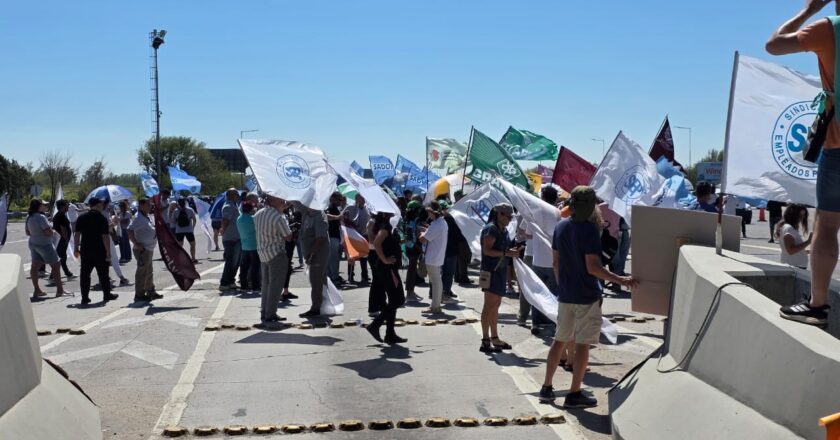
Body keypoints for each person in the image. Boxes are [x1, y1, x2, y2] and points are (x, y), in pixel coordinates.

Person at [766, 0, 839, 325]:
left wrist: (809, 10)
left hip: (838, 147)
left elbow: (774, 44)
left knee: (827, 226)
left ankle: (817, 305)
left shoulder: (829, 29)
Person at [539, 186, 637, 408]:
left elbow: (556, 262)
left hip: (565, 295)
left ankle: (546, 387)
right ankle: (574, 393)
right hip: (587, 296)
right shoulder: (590, 230)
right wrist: (621, 280)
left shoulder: (561, 227)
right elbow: (593, 267)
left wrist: (564, 284)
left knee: (559, 341)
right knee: (583, 344)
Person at [478, 203, 520, 354]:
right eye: (508, 216)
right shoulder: (491, 228)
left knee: (495, 306)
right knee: (489, 306)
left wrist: (512, 250)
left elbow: (503, 249)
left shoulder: (503, 229)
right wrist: (506, 253)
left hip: (500, 271)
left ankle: (494, 337)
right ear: (500, 214)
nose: (509, 219)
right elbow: (487, 250)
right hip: (491, 271)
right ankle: (485, 340)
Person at [365, 211, 407, 344]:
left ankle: (390, 333)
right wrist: (385, 260)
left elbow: (387, 244)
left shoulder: (389, 227)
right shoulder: (386, 227)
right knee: (398, 299)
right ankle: (375, 325)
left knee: (393, 299)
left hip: (389, 268)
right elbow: (376, 243)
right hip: (387, 269)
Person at [253, 195, 292, 323]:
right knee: (276, 286)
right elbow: (288, 236)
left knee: (266, 285)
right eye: (281, 200)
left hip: (263, 253)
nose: (283, 202)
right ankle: (271, 314)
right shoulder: (277, 216)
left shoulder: (258, 213)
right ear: (274, 201)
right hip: (276, 253)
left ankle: (264, 312)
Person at [74, 198, 118, 305]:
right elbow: (105, 236)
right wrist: (108, 252)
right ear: (97, 205)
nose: (103, 206)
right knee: (103, 274)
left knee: (85, 274)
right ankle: (106, 295)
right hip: (99, 249)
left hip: (85, 250)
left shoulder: (82, 217)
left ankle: (85, 297)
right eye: (101, 204)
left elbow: (77, 234)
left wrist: (76, 248)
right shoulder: (101, 218)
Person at [26, 199, 68, 298]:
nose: (45, 206)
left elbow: (27, 232)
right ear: (39, 206)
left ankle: (37, 290)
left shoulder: (29, 217)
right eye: (43, 205)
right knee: (56, 264)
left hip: (33, 242)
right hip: (44, 244)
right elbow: (47, 232)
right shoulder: (41, 217)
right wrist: (52, 232)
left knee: (35, 265)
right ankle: (60, 290)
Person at [128, 198, 162, 302]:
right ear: (141, 205)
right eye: (148, 204)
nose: (150, 206)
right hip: (142, 250)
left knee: (149, 271)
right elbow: (129, 230)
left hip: (148, 249)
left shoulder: (145, 216)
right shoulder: (138, 217)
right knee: (142, 272)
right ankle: (139, 294)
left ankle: (150, 291)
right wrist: (136, 244)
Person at [299, 206, 329, 318]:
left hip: (317, 254)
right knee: (318, 280)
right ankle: (323, 305)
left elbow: (320, 238)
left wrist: (312, 254)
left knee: (316, 280)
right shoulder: (307, 213)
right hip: (311, 253)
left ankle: (316, 308)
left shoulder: (319, 216)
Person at [420, 201, 448, 314]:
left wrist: (421, 233)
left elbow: (423, 239)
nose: (428, 215)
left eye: (429, 212)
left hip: (433, 256)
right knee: (437, 281)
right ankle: (435, 305)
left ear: (433, 212)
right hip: (437, 255)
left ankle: (435, 306)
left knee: (436, 282)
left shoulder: (436, 224)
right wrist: (427, 230)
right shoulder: (441, 222)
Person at [343, 194, 371, 285]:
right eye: (361, 198)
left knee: (364, 257)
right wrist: (350, 223)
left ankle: (365, 276)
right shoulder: (350, 207)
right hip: (353, 235)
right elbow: (343, 218)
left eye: (363, 198)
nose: (363, 200)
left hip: (364, 235)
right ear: (356, 199)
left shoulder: (367, 209)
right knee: (352, 256)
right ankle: (350, 276)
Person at [775, 204, 812, 270]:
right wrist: (808, 241)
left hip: (794, 265)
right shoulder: (788, 228)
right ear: (793, 215)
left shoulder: (788, 227)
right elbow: (791, 250)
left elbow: (792, 249)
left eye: (803, 215)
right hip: (795, 266)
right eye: (800, 215)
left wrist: (807, 251)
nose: (802, 218)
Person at [219, 189, 242, 292]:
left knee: (236, 261)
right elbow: (225, 220)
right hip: (231, 238)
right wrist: (223, 230)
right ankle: (224, 282)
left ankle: (231, 281)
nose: (238, 195)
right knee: (231, 261)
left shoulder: (234, 204)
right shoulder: (228, 206)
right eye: (236, 194)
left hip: (235, 237)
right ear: (230, 195)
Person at [440, 201, 464, 301]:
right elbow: (459, 237)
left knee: (443, 273)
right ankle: (445, 293)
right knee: (448, 274)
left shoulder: (439, 220)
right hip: (450, 251)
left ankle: (443, 292)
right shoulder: (452, 221)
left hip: (442, 251)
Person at [402, 201, 424, 301]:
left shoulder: (407, 219)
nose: (419, 211)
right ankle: (409, 293)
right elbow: (413, 235)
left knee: (412, 270)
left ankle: (411, 291)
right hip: (413, 247)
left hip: (410, 246)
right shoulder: (413, 220)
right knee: (411, 270)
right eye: (418, 209)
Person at [237, 201, 260, 292]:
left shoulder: (239, 219)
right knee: (255, 267)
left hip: (244, 246)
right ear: (250, 209)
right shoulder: (253, 219)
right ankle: (255, 286)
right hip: (254, 245)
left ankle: (244, 286)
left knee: (244, 268)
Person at [52, 200, 75, 280]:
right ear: (62, 206)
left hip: (61, 240)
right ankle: (52, 276)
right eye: (66, 205)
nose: (68, 206)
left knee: (62, 257)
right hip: (61, 240)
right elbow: (63, 229)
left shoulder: (60, 215)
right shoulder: (60, 216)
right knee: (60, 258)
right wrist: (66, 239)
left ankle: (68, 274)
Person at [171, 198, 198, 263]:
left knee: (180, 246)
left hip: (179, 231)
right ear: (185, 202)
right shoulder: (190, 209)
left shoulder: (176, 210)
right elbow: (194, 219)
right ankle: (193, 258)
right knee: (192, 244)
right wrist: (193, 228)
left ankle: (179, 259)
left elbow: (172, 221)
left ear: (178, 203)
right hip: (189, 230)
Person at [325, 192, 344, 285]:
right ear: (333, 198)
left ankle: (333, 276)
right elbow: (326, 216)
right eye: (339, 199)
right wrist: (338, 217)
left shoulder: (336, 207)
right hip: (331, 235)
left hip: (336, 235)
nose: (341, 201)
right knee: (333, 258)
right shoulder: (330, 206)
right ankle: (333, 277)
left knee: (334, 257)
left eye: (341, 199)